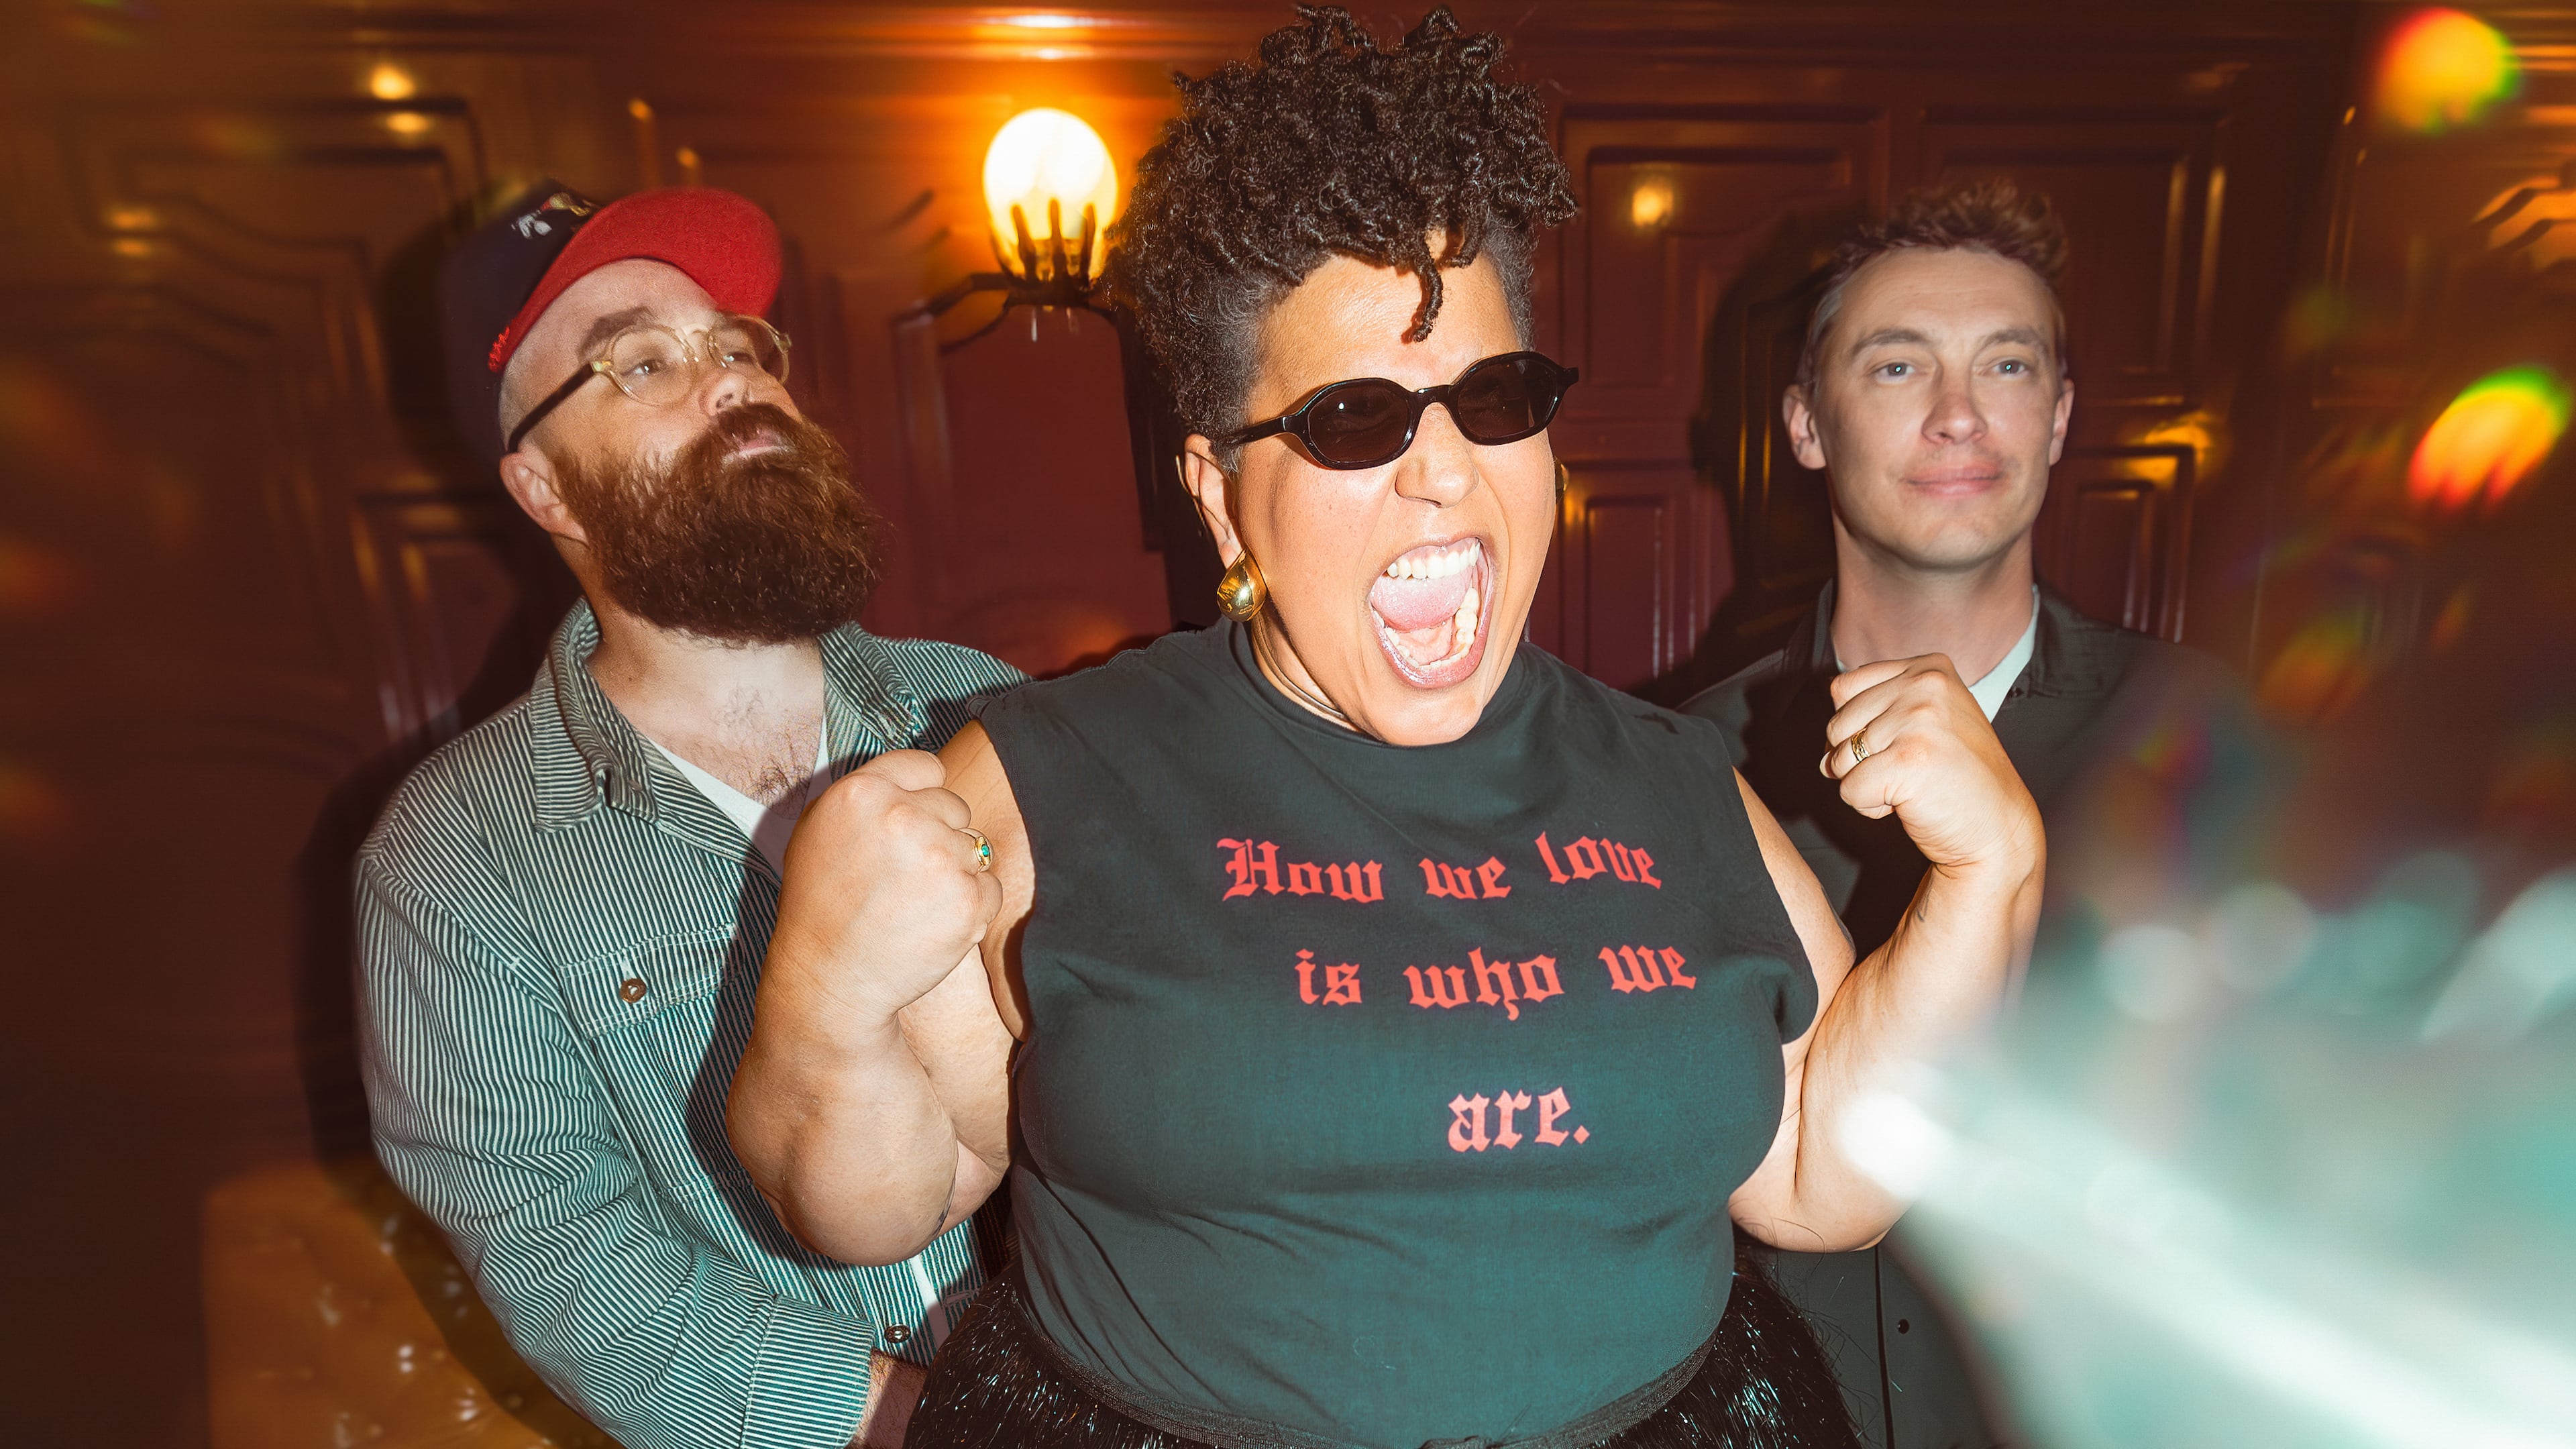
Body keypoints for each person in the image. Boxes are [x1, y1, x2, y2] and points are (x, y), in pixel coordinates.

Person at [729, 11, 2045, 1449]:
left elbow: (1819, 1178)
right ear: (1220, 495)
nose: (1443, 475)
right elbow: (884, 1205)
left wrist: (1993, 878)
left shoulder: (1676, 778)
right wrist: (825, 993)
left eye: (1493, 399)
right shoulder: (1051, 779)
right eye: (1355, 418)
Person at [356, 182, 1023, 1449]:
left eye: (738, 346)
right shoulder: (451, 865)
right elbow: (573, 1267)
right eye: (644, 363)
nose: (728, 380)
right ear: (545, 490)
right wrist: (943, 1428)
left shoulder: (980, 703)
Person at [1679, 180, 2273, 1449]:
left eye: (2007, 365)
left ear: (2059, 418)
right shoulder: (1678, 770)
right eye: (1898, 366)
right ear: (1805, 424)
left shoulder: (2217, 748)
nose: (1959, 413)